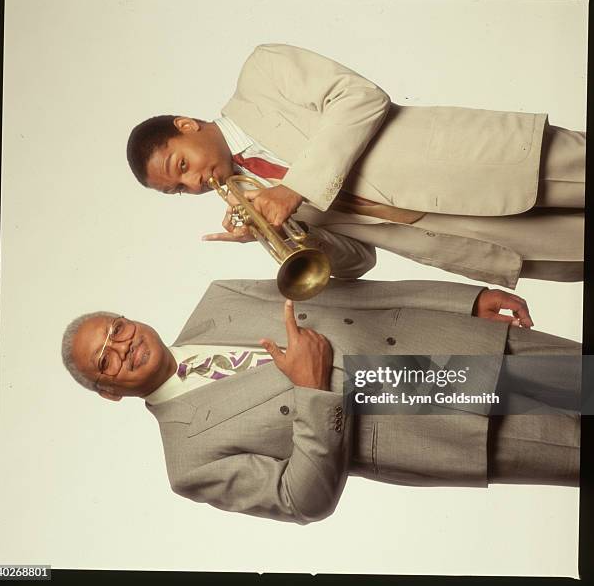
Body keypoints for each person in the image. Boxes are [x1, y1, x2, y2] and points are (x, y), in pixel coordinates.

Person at [61, 279, 579, 524]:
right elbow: (300, 501)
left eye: (117, 329)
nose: (122, 346)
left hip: (448, 343)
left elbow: (351, 294)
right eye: (104, 360)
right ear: (109, 392)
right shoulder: (187, 460)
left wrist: (461, 300)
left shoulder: (219, 299)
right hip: (425, 422)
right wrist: (312, 392)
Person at [126, 43, 585, 288]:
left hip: (483, 164)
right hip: (468, 239)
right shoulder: (255, 202)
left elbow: (361, 98)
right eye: (179, 188)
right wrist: (280, 238)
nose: (193, 181)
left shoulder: (260, 74)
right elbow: (358, 260)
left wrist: (294, 189)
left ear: (187, 125)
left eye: (182, 164)